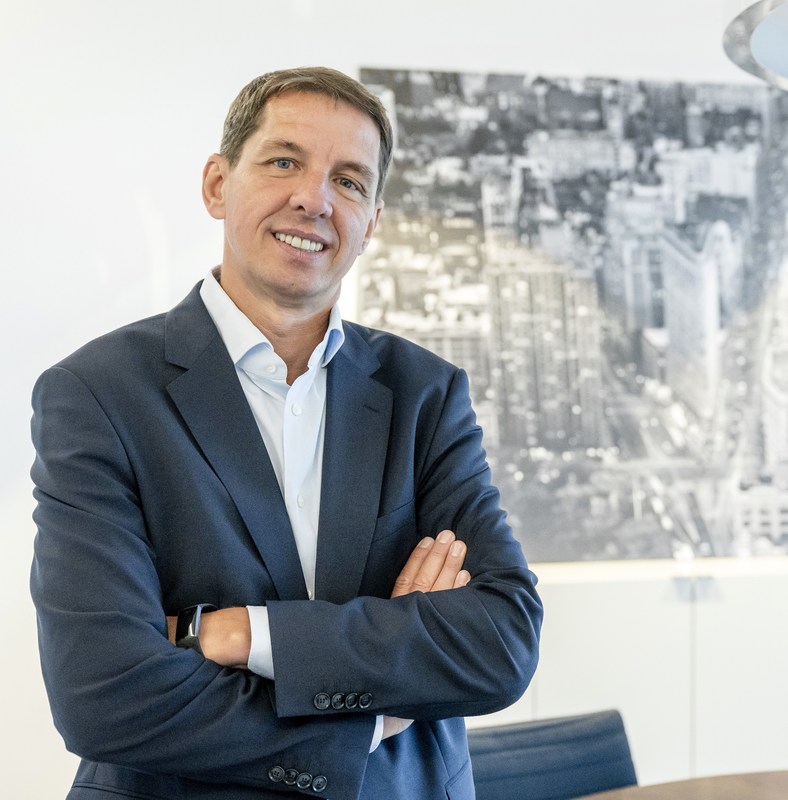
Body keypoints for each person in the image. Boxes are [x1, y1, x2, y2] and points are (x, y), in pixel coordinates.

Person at [30, 66, 543, 800]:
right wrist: (371, 714)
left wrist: (242, 633)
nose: (314, 199)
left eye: (349, 181)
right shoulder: (97, 394)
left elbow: (501, 645)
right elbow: (104, 694)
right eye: (283, 162)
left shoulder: (425, 395)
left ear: (371, 222)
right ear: (217, 185)